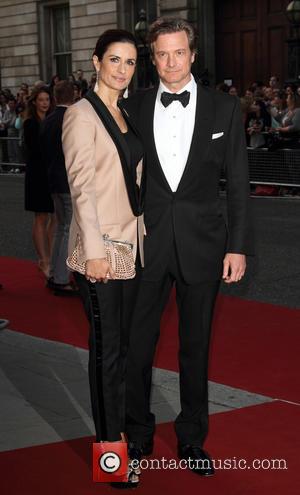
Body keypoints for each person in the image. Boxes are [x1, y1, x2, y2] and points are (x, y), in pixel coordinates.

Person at [121, 17, 253, 478]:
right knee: (137, 345)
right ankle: (136, 434)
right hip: (148, 244)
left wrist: (237, 247)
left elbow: (238, 182)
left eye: (179, 52)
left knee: (195, 348)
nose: (171, 62)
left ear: (193, 55)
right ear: (152, 58)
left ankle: (192, 438)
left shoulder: (224, 108)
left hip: (204, 245)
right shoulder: (131, 106)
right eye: (162, 53)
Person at [62, 29, 145, 488]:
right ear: (96, 62)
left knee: (122, 351)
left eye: (130, 62)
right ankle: (111, 460)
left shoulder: (125, 112)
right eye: (114, 60)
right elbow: (81, 188)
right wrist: (94, 253)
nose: (122, 69)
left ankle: (123, 437)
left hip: (132, 247)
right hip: (101, 252)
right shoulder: (81, 115)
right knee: (107, 354)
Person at [40, 81, 78, 296]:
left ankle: (55, 274)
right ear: (73, 96)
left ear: (54, 97)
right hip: (68, 180)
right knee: (66, 230)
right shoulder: (71, 118)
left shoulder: (49, 119)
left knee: (61, 228)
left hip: (53, 180)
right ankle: (62, 278)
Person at [24, 86, 56, 279]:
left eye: (47, 100)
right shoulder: (30, 123)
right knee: (41, 217)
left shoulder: (52, 119)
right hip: (37, 174)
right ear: (34, 101)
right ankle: (43, 260)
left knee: (54, 217)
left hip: (51, 173)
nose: (45, 103)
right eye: (41, 100)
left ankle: (51, 257)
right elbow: (34, 150)